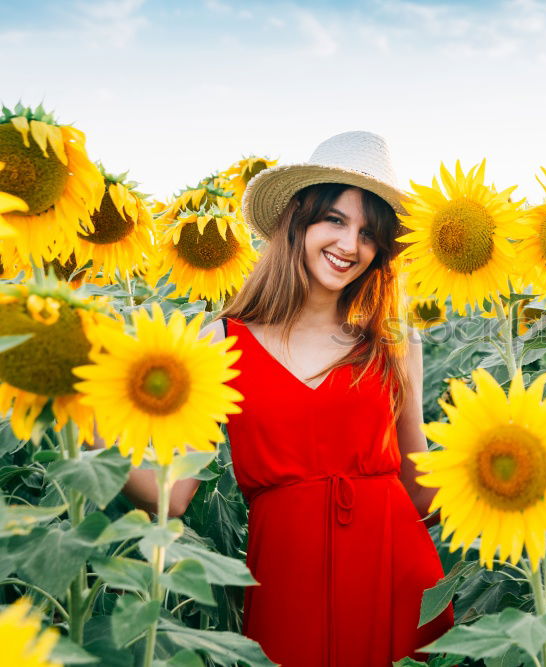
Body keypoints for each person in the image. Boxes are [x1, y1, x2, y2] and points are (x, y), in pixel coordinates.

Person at [114, 130, 455, 665]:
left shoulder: (393, 343)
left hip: (394, 571)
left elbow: (421, 493)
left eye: (368, 233)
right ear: (298, 220)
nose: (350, 246)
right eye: (335, 220)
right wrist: (81, 420)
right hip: (285, 577)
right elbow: (172, 495)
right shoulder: (220, 341)